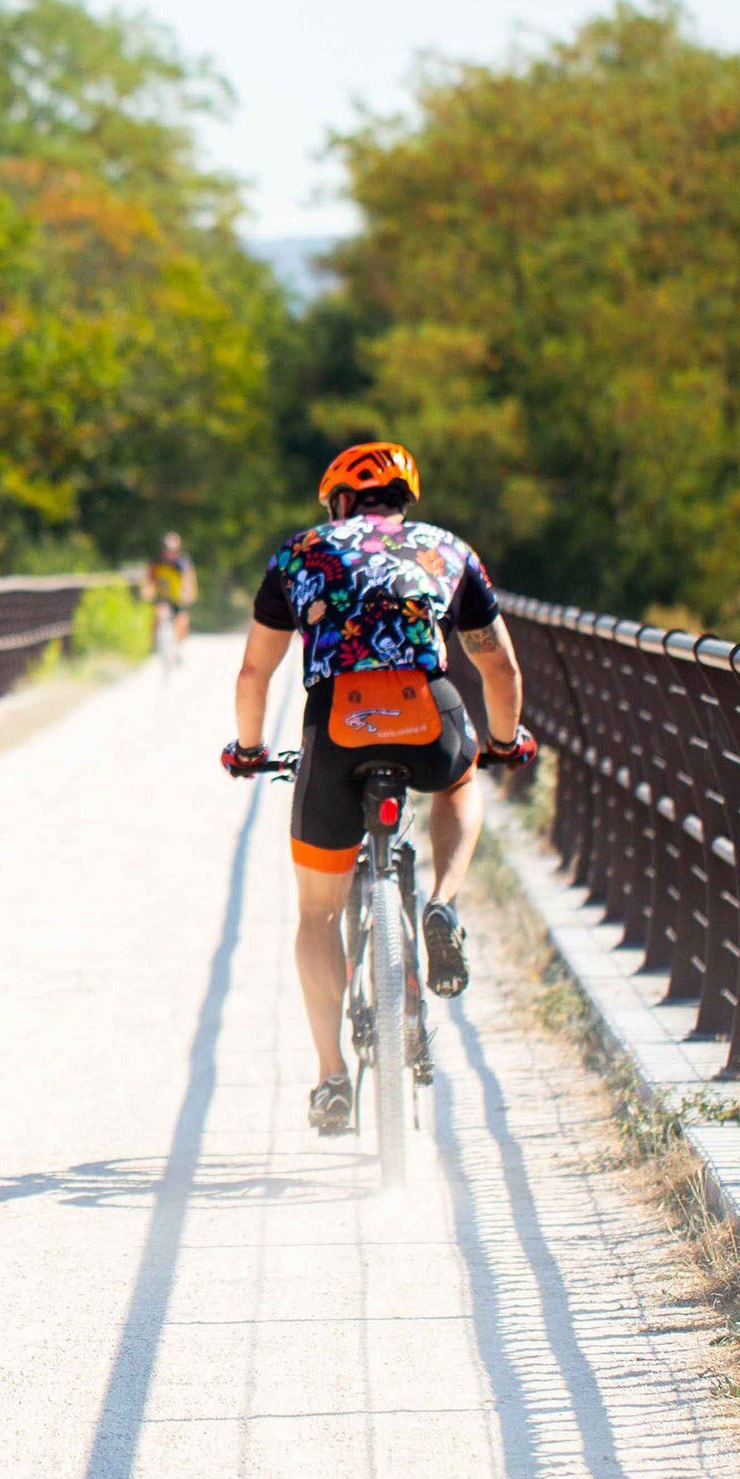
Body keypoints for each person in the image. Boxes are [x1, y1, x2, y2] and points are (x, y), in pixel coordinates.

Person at [217, 442, 538, 1137]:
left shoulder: (299, 554)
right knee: (460, 781)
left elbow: (253, 675)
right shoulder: (448, 550)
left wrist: (247, 750)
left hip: (337, 728)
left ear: (338, 502)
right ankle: (444, 904)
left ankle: (333, 1077)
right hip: (427, 715)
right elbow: (500, 668)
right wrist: (506, 743)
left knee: (316, 915)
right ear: (405, 501)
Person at [144, 533, 199, 654]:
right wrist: (148, 592)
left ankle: (178, 647)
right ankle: (152, 647)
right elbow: (150, 580)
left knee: (182, 621)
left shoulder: (183, 563)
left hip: (179, 597)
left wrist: (189, 593)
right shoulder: (157, 562)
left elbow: (189, 580)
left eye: (173, 549)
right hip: (162, 596)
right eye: (167, 548)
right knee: (158, 616)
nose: (170, 552)